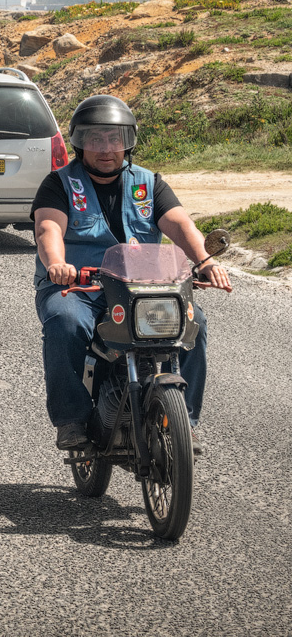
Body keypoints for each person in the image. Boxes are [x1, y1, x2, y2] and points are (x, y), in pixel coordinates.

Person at [32, 95, 232, 453]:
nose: (106, 149)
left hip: (141, 289)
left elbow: (181, 225)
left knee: (193, 324)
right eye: (95, 139)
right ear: (79, 142)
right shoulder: (59, 184)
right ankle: (72, 419)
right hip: (79, 288)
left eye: (115, 139)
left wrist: (205, 260)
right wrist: (56, 265)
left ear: (129, 142)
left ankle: (183, 422)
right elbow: (48, 228)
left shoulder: (148, 183)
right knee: (65, 325)